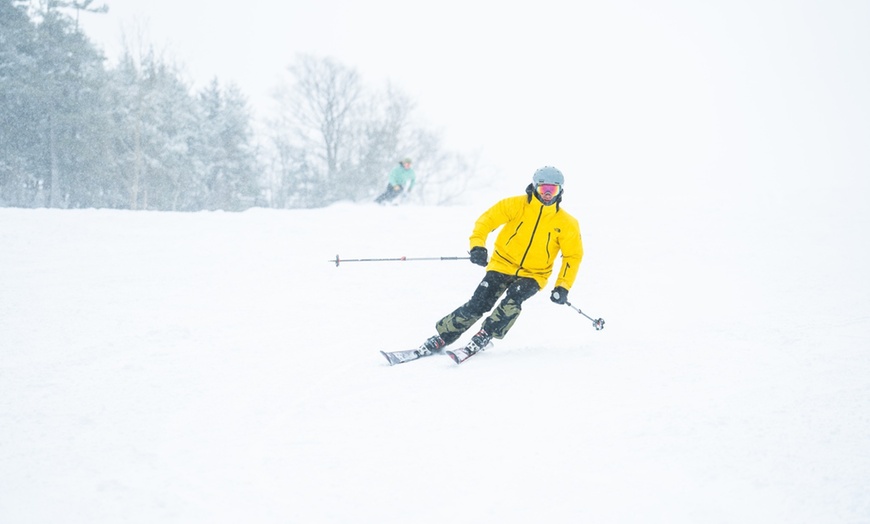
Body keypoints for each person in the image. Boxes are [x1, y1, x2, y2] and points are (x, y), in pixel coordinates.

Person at [417, 166, 584, 358]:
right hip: (502, 264)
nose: (547, 194)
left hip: (534, 274)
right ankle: (443, 336)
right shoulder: (514, 205)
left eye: (552, 189)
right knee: (479, 302)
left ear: (560, 190)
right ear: (534, 187)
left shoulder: (567, 223)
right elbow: (486, 221)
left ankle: (486, 334)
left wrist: (562, 286)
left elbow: (573, 256)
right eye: (543, 188)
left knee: (514, 298)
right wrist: (477, 246)